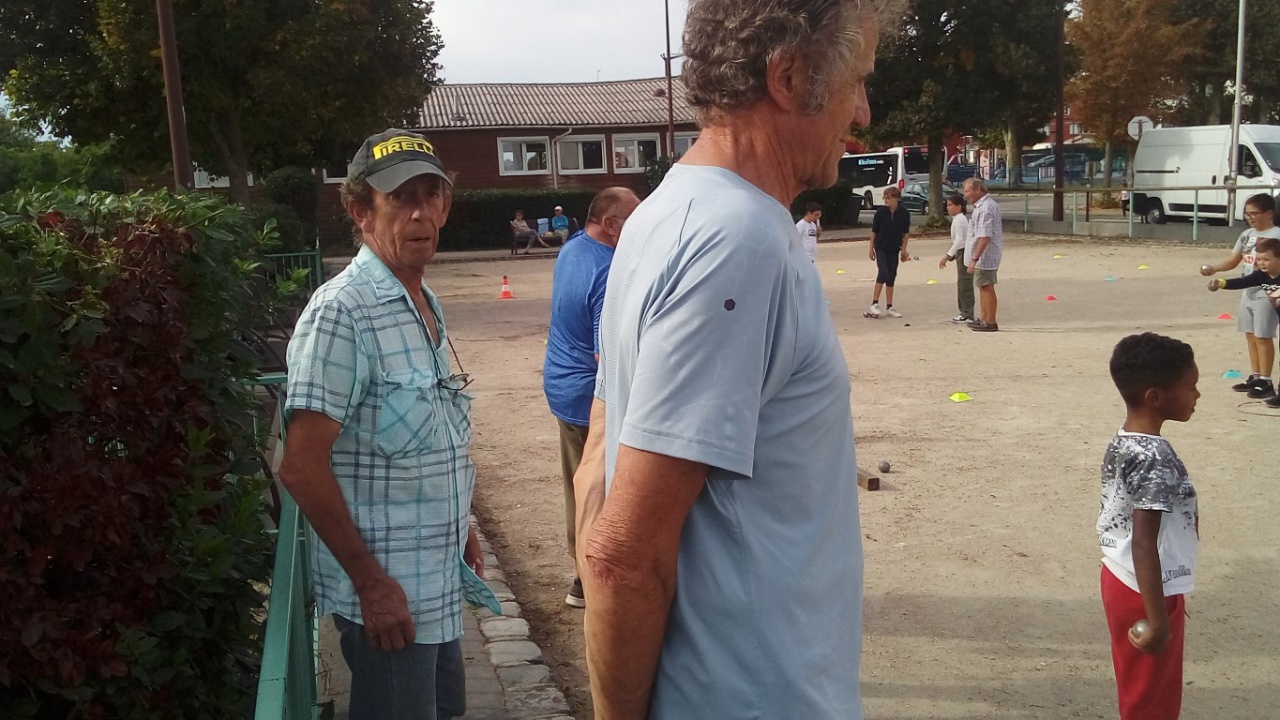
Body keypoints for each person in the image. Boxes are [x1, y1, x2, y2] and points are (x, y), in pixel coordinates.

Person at [571, 1, 896, 717]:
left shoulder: (663, 215)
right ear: (788, 76)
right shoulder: (736, 240)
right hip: (756, 695)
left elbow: (600, 454)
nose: (864, 112)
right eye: (857, 81)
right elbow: (623, 551)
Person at [280, 128, 498, 720]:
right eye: (401, 198)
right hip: (390, 599)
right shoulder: (341, 312)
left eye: (432, 195)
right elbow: (300, 467)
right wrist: (371, 585)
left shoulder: (423, 301)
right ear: (359, 211)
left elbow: (428, 434)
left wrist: (462, 524)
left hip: (437, 580)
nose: (421, 213)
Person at [542, 186, 641, 609]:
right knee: (599, 490)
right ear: (611, 225)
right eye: (633, 219)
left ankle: (583, 575)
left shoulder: (573, 249)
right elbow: (608, 351)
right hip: (589, 393)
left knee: (578, 485)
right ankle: (590, 581)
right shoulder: (610, 270)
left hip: (563, 384)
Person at [1098, 332, 1200, 720]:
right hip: (1145, 588)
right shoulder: (1154, 457)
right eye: (1190, 387)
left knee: (1142, 690)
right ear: (1154, 397)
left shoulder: (1125, 440)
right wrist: (1158, 618)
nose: (1197, 395)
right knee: (1151, 702)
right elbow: (1145, 541)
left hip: (1122, 577)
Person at [1198, 193, 1280, 399]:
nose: (1250, 217)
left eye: (1254, 213)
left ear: (1269, 213)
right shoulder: (1246, 235)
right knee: (1250, 334)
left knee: (1263, 335)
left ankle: (1266, 379)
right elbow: (1234, 259)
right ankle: (1255, 374)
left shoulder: (1277, 234)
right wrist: (1215, 269)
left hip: (1268, 290)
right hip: (1249, 290)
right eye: (1247, 214)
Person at [1208, 235, 1280, 408]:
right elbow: (1243, 281)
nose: (1262, 263)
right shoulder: (1262, 275)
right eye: (1259, 259)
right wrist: (1221, 283)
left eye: (1266, 259)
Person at [963, 176, 1003, 332]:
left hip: (985, 255)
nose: (965, 195)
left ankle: (990, 321)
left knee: (986, 286)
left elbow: (985, 236)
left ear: (977, 190)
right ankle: (983, 317)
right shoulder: (982, 206)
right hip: (983, 255)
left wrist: (974, 259)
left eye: (967, 191)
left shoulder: (985, 208)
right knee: (982, 286)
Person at [868, 186, 911, 317]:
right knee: (883, 272)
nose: (886, 200)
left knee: (892, 275)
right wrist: (871, 249)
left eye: (889, 198)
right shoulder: (880, 212)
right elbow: (874, 231)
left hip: (894, 248)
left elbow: (906, 233)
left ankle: (889, 306)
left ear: (896, 199)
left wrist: (904, 250)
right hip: (881, 246)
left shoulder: (904, 213)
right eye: (884, 197)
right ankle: (874, 303)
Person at [938, 192, 973, 323]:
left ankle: (968, 313)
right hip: (961, 252)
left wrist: (947, 256)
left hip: (964, 252)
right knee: (962, 283)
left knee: (965, 283)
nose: (948, 207)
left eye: (951, 205)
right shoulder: (958, 219)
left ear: (959, 206)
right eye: (947, 205)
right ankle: (964, 311)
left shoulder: (959, 220)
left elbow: (959, 240)